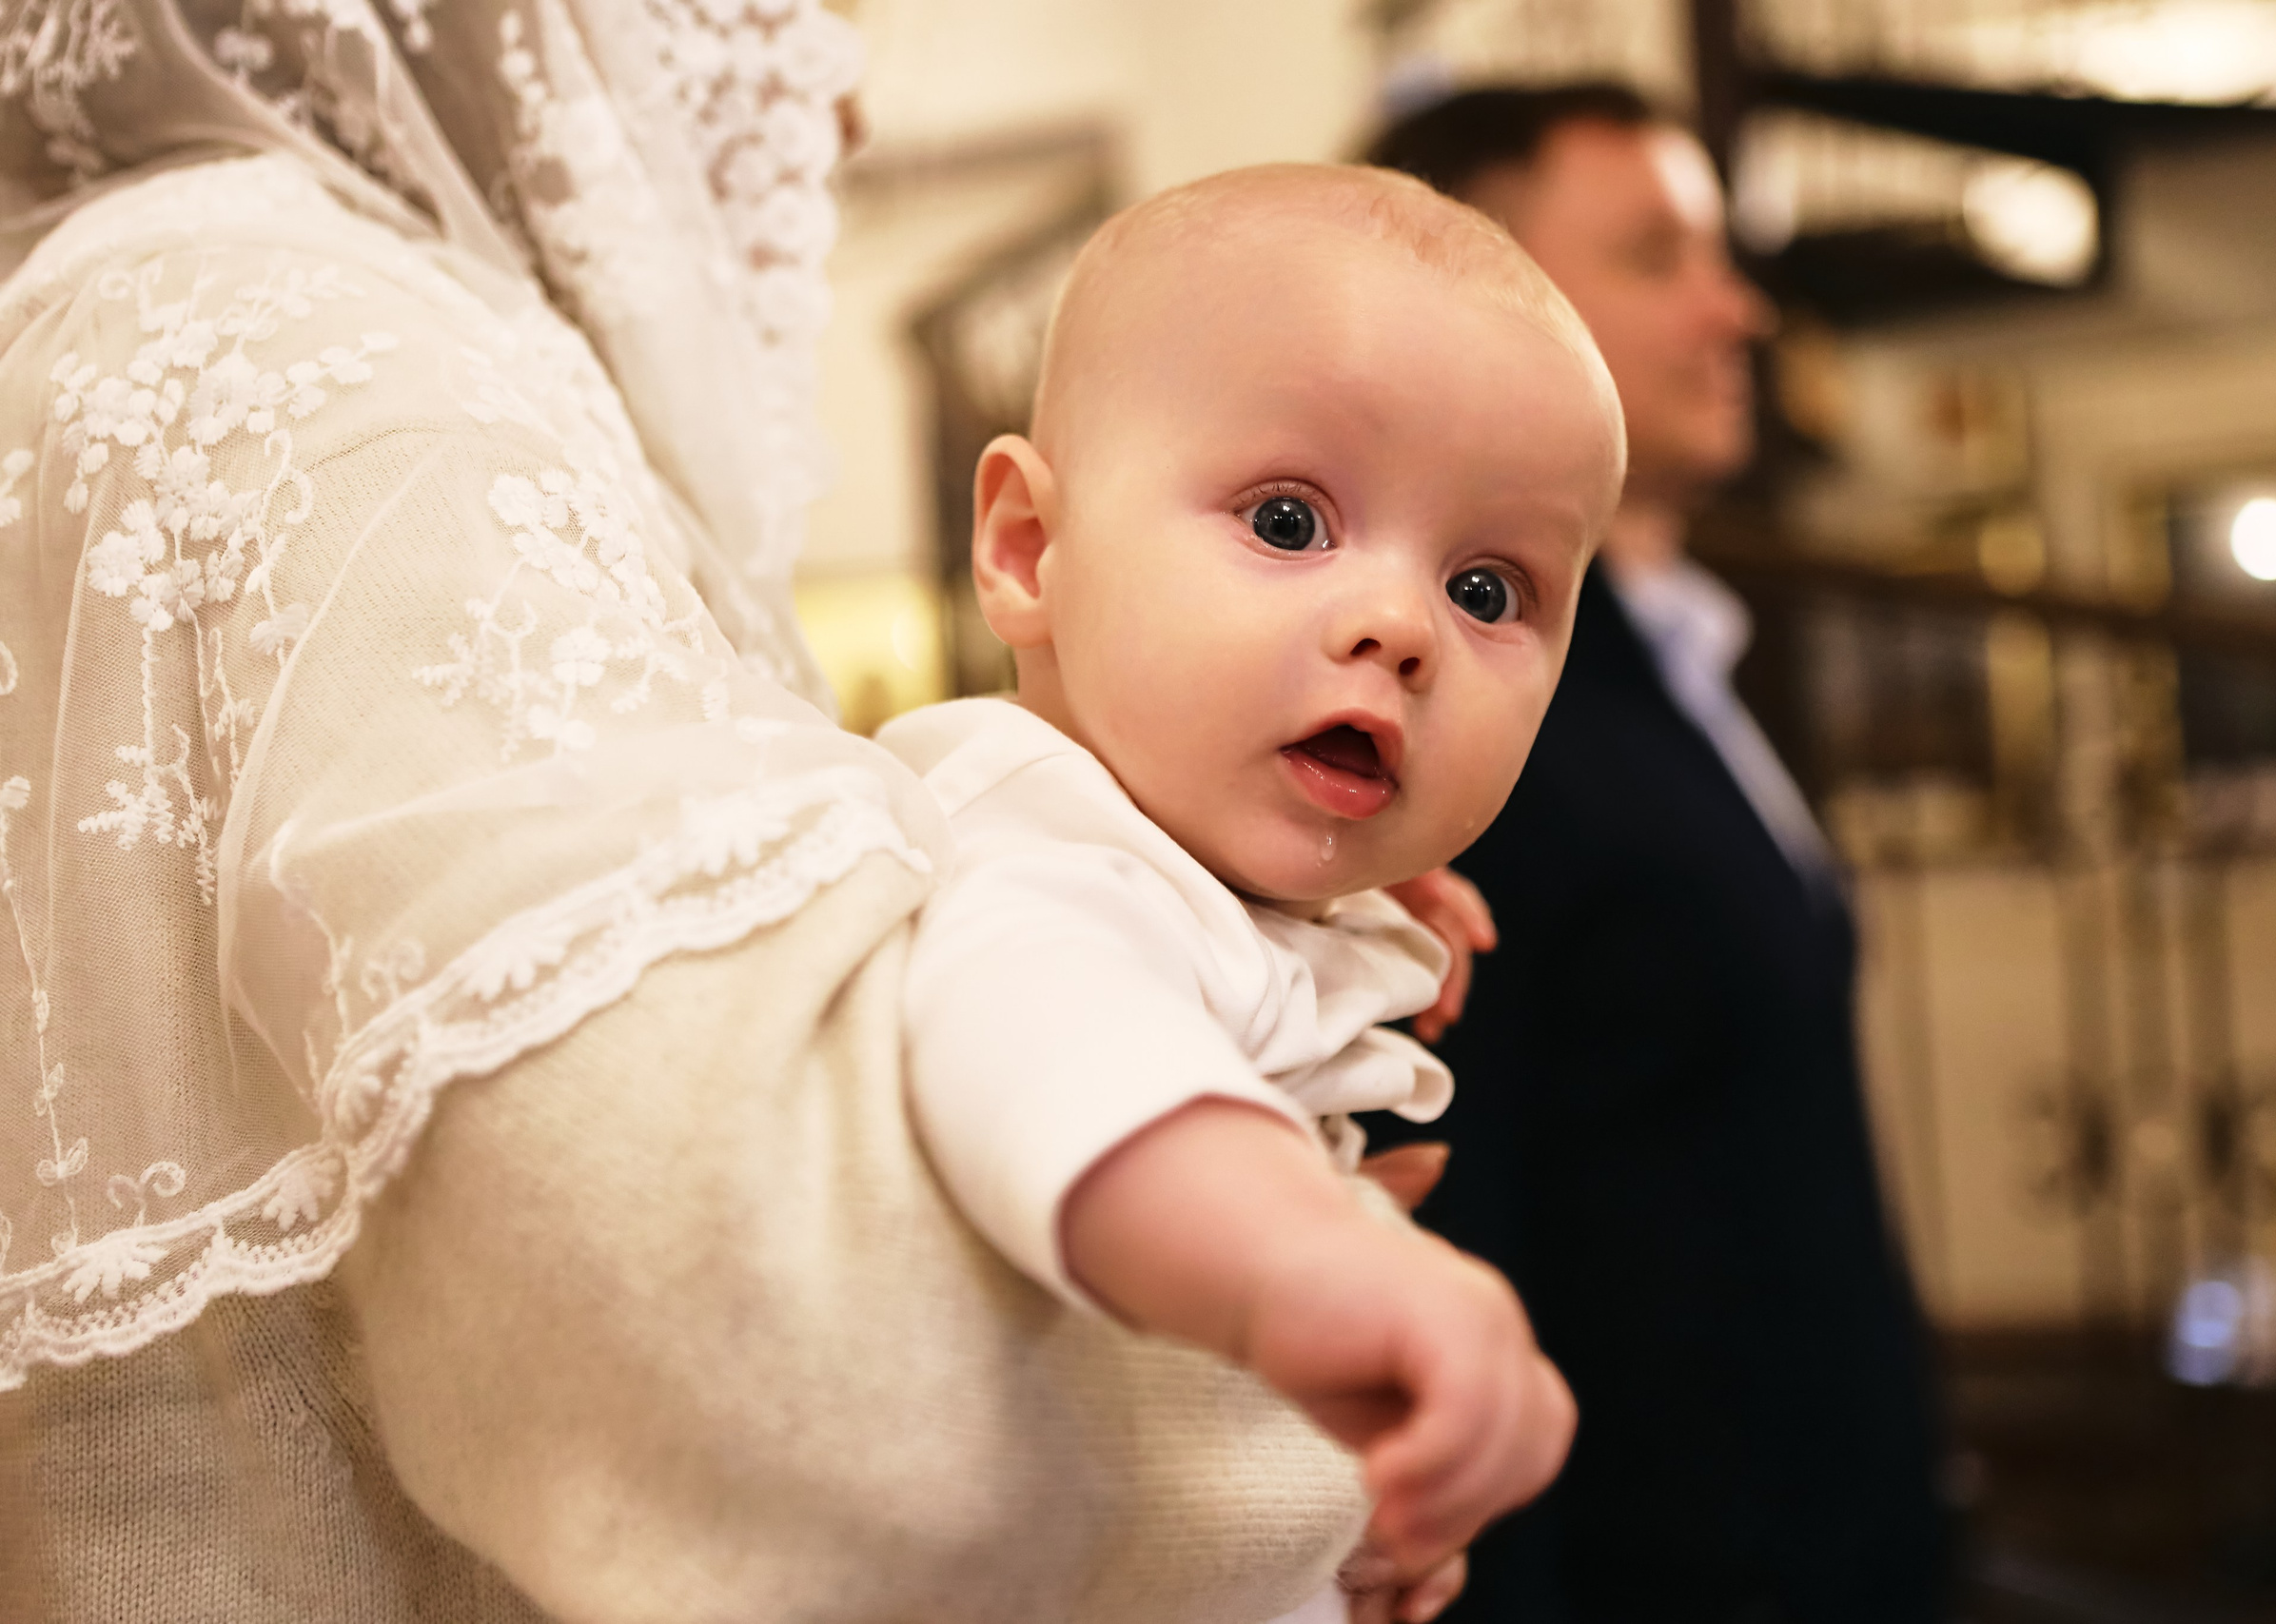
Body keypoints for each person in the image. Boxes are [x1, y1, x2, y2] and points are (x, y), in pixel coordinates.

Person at [0, 5, 1469, 1620]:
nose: (839, 105)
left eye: (1489, 591)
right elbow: (767, 1348)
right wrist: (1332, 1379)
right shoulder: (333, 376)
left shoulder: (226, 325)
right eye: (791, 16)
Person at [874, 163, 1622, 1624]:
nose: (1400, 626)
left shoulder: (1186, 869)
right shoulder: (1033, 851)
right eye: (1288, 522)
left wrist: (1341, 1495)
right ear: (1028, 551)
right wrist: (1311, 1266)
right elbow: (1055, 1040)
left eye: (1487, 591)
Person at [1361, 86, 1953, 1622]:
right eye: (1657, 255)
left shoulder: (1670, 660)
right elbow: (1464, 1205)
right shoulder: (1469, 719)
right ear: (1489, 304)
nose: (1736, 308)